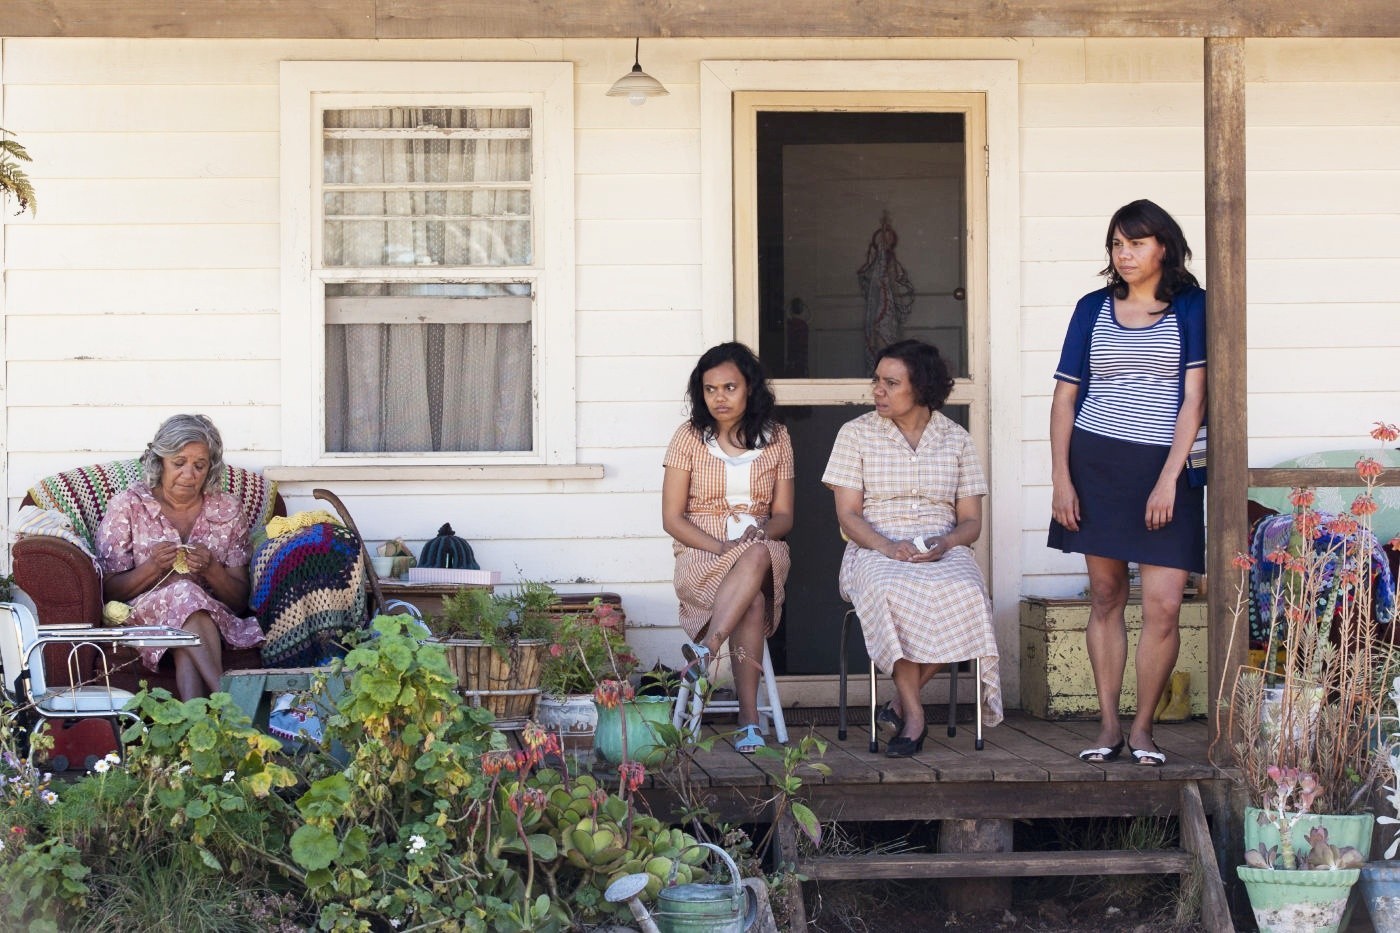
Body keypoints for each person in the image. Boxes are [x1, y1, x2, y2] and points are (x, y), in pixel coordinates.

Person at [1047, 198, 1207, 768]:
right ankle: (1109, 724)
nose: (1126, 253)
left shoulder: (1192, 306)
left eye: (1137, 242)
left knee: (1164, 605)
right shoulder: (1092, 308)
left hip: (1165, 467)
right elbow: (1066, 398)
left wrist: (1169, 479)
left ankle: (1144, 729)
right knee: (1108, 595)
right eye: (1118, 244)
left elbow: (1195, 399)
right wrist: (1062, 479)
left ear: (1164, 245)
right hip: (1097, 465)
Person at [823, 339, 1003, 758]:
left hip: (942, 546)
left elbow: (971, 522)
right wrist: (887, 546)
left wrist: (947, 542)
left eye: (890, 383)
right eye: (877, 381)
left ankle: (899, 703)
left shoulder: (955, 439)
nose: (878, 391)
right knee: (892, 590)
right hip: (873, 547)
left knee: (969, 595)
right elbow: (848, 516)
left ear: (920, 388)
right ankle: (916, 715)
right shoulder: (855, 434)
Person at [662, 342, 795, 754]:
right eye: (710, 389)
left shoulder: (778, 438)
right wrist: (721, 545)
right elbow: (672, 519)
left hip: (762, 546)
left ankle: (706, 651)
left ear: (750, 389)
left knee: (756, 554)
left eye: (730, 387)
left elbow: (785, 516)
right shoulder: (689, 438)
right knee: (751, 603)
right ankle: (749, 720)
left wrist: (760, 531)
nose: (719, 397)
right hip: (702, 552)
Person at [96, 414, 263, 700]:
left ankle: (193, 724)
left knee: (189, 612)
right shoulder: (128, 506)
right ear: (159, 462)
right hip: (142, 618)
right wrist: (152, 567)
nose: (189, 474)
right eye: (178, 463)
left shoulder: (228, 509)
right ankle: (229, 703)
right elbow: (109, 590)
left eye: (199, 465)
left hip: (210, 618)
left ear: (210, 469)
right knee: (185, 593)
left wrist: (212, 569)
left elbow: (238, 601)